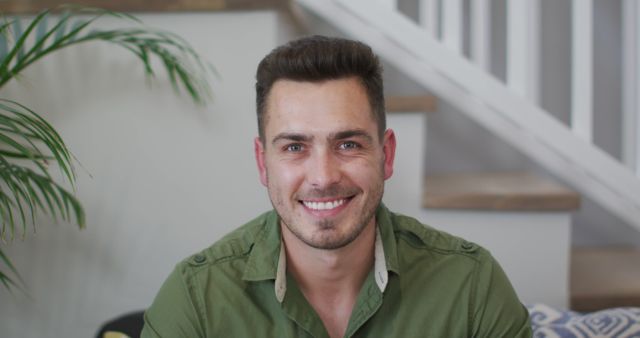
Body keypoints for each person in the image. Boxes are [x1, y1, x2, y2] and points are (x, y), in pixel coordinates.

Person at [141, 35, 532, 338]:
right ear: (263, 163)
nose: (323, 176)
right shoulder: (196, 299)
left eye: (348, 144)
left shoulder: (471, 287)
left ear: (387, 154)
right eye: (295, 147)